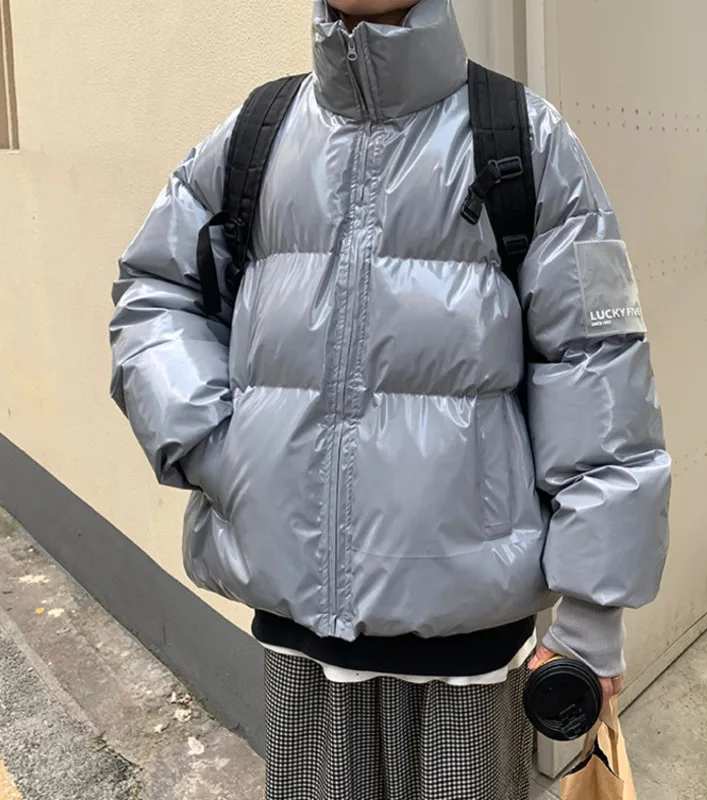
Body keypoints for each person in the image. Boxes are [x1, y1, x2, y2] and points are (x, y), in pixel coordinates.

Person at [109, 0, 671, 797]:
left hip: (470, 654)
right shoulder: (257, 133)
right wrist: (216, 445)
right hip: (300, 637)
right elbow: (155, 290)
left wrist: (591, 612)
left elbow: (599, 366)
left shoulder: (524, 139)